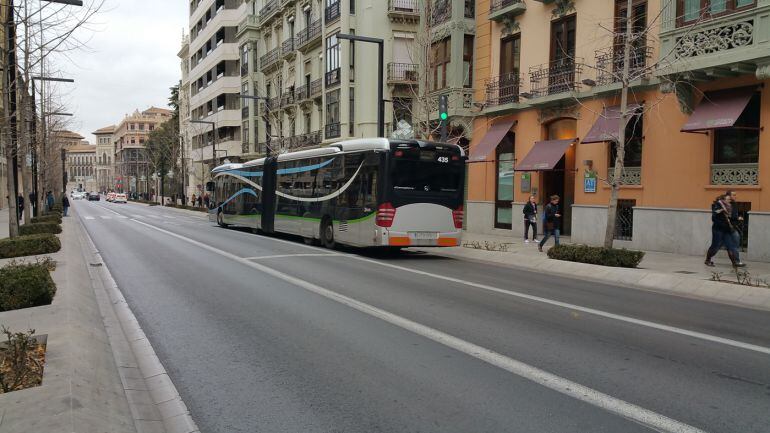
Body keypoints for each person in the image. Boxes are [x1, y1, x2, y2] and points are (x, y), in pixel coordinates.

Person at [705, 194, 745, 267]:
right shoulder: (718, 205)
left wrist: (737, 218)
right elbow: (714, 217)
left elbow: (731, 218)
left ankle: (734, 263)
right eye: (728, 199)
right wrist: (720, 211)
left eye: (730, 199)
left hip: (727, 229)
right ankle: (708, 260)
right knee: (715, 246)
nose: (729, 200)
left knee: (730, 246)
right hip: (718, 229)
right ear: (723, 199)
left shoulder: (729, 207)